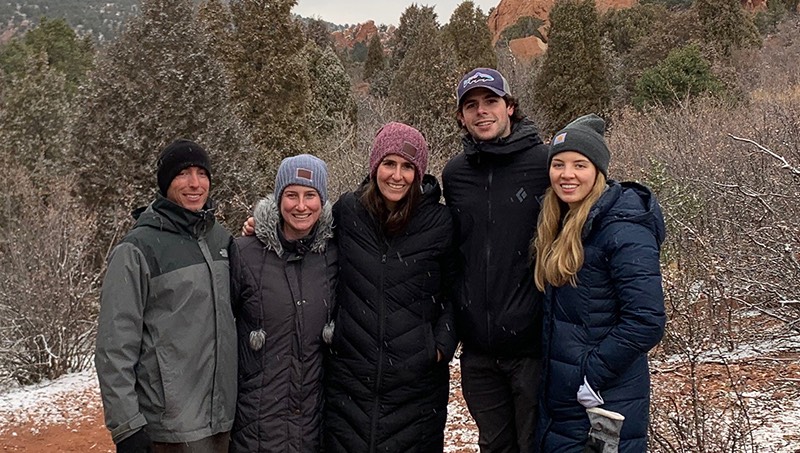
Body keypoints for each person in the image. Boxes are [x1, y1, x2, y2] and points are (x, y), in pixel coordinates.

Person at [532, 114, 666, 452]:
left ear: (598, 171)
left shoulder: (624, 229)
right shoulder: (561, 222)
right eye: (558, 164)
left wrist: (591, 375)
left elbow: (646, 320)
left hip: (606, 399)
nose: (567, 174)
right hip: (564, 401)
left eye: (580, 164)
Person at [324, 122, 458, 452]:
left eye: (407, 166)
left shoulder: (439, 223)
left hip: (417, 385)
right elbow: (305, 236)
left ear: (419, 172)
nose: (397, 175)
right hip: (351, 379)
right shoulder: (349, 211)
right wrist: (264, 225)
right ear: (374, 167)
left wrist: (438, 345)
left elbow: (457, 291)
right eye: (389, 163)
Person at [95, 139, 236, 452]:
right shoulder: (136, 249)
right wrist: (127, 427)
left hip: (225, 422)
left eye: (202, 173)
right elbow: (114, 347)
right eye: (183, 174)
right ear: (165, 182)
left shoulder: (222, 239)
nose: (195, 183)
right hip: (170, 428)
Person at [442, 67, 550, 452]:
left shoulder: (545, 163)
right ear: (461, 116)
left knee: (536, 444)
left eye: (491, 101)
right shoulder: (455, 175)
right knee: (494, 446)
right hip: (479, 354)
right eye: (471, 105)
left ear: (510, 107)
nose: (481, 112)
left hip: (532, 349)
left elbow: (591, 204)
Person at [229, 154, 337, 452]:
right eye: (291, 195)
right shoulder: (243, 254)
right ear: (278, 199)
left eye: (310, 195)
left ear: (323, 201)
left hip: (313, 427)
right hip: (256, 427)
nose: (301, 206)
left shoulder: (333, 255)